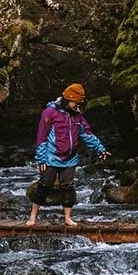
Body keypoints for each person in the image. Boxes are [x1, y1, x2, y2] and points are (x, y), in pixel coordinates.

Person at [28, 83, 109, 227]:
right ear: (68, 99)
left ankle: (67, 218)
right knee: (44, 185)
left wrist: (100, 148)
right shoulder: (50, 112)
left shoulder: (78, 116)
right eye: (75, 103)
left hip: (70, 159)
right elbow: (42, 137)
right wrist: (41, 159)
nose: (77, 106)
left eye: (79, 103)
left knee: (68, 187)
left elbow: (87, 134)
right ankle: (32, 217)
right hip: (51, 157)